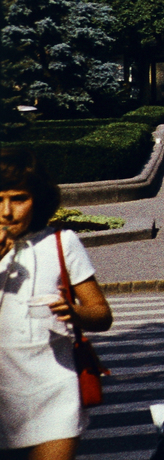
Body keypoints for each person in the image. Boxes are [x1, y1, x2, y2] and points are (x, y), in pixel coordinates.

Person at [0, 150, 114, 460]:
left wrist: (76, 313)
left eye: (18, 199)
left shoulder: (63, 242)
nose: (6, 212)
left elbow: (102, 314)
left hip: (54, 391)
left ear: (38, 199)